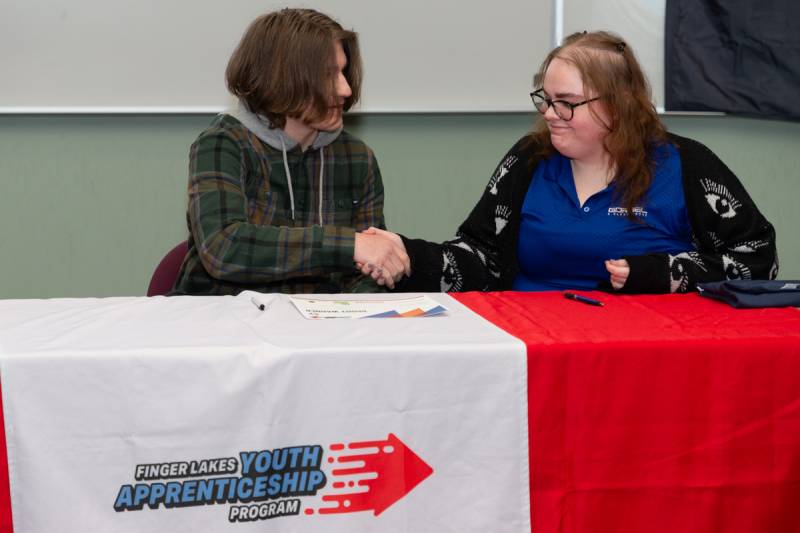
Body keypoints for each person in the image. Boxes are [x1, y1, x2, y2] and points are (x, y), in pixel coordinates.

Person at [374, 30, 778, 293]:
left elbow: (758, 259)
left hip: (645, 350)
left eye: (566, 103)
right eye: (546, 99)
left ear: (617, 106)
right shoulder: (528, 160)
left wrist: (667, 273)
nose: (549, 114)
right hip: (531, 347)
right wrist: (411, 257)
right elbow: (481, 256)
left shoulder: (686, 164)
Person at [172, 8, 408, 295]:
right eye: (328, 75)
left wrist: (377, 275)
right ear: (285, 79)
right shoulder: (223, 144)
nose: (345, 89)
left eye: (344, 72)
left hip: (319, 331)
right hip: (222, 324)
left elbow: (367, 271)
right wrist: (349, 246)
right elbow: (224, 248)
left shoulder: (357, 158)